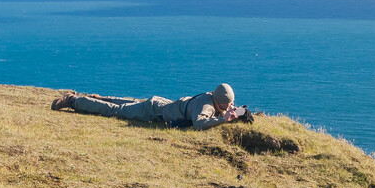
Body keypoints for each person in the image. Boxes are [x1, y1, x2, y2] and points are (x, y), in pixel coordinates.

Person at [51, 83, 240, 131]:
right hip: (155, 111)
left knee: (123, 104)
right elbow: (199, 124)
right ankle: (73, 101)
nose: (231, 105)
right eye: (229, 102)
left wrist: (227, 113)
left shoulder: (211, 97)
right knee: (116, 111)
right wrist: (223, 120)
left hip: (161, 104)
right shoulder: (206, 106)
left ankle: (96, 98)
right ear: (219, 100)